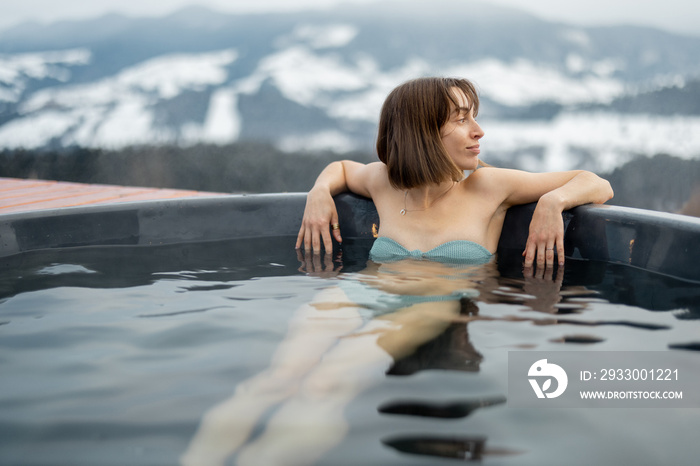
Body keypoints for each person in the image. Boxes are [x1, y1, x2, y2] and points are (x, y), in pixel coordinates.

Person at [296, 77, 613, 267]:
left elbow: (595, 183)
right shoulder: (386, 183)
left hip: (438, 315)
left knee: (334, 378)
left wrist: (552, 202)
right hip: (366, 299)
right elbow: (340, 168)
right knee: (286, 367)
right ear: (423, 133)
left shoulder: (487, 186)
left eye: (474, 118)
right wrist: (319, 192)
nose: (479, 131)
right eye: (462, 120)